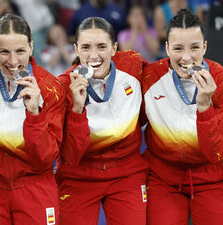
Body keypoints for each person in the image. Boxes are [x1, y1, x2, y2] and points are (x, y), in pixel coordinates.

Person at [0, 14, 66, 225]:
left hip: (35, 187)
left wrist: (34, 115)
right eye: (4, 52)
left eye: (20, 51)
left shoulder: (51, 88)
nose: (13, 61)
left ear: (31, 47)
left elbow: (46, 158)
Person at [142, 9, 223, 225]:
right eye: (177, 48)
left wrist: (205, 108)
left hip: (213, 177)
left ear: (205, 46)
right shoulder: (149, 77)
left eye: (195, 47)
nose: (186, 57)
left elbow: (219, 154)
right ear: (166, 48)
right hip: (163, 179)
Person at [56, 17, 148, 225]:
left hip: (127, 175)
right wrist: (78, 109)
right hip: (78, 176)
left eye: (102, 46)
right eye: (86, 47)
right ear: (76, 49)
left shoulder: (133, 66)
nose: (94, 55)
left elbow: (152, 98)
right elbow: (70, 155)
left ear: (115, 48)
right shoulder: (63, 86)